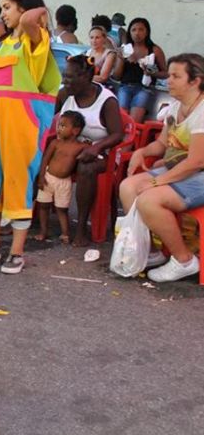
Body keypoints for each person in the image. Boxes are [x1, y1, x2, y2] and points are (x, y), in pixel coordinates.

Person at [0, 0, 61, 275]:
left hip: (21, 121)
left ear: (24, 7)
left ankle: (16, 252)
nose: (1, 14)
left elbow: (32, 21)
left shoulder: (36, 39)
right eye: (1, 8)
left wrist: (39, 10)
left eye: (6, 7)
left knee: (19, 180)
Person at [119, 53, 204, 283]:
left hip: (199, 175)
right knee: (128, 187)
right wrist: (142, 152)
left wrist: (156, 182)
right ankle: (152, 251)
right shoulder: (176, 107)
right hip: (181, 170)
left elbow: (197, 162)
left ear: (195, 81)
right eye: (169, 75)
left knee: (149, 199)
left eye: (176, 76)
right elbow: (162, 144)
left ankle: (184, 260)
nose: (168, 81)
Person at [55, 54, 124, 247]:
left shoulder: (107, 100)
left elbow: (117, 134)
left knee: (86, 167)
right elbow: (46, 118)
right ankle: (35, 218)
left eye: (69, 77)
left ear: (85, 77)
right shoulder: (64, 95)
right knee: (37, 156)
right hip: (69, 149)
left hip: (102, 153)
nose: (64, 81)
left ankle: (81, 227)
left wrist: (97, 147)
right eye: (64, 76)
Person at [34, 111, 87, 243]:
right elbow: (45, 159)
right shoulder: (55, 143)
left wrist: (89, 144)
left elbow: (92, 151)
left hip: (64, 182)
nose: (58, 129)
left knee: (62, 209)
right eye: (59, 125)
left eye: (63, 126)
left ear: (75, 131)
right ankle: (43, 231)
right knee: (43, 206)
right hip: (48, 178)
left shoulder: (80, 146)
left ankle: (65, 233)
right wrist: (41, 177)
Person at [114, 17, 167, 123]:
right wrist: (121, 59)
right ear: (129, 32)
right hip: (125, 86)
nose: (137, 33)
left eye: (141, 29)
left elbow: (165, 73)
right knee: (120, 120)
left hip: (144, 89)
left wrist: (150, 70)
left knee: (134, 123)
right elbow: (117, 76)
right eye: (134, 30)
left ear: (147, 32)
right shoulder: (126, 49)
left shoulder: (154, 50)